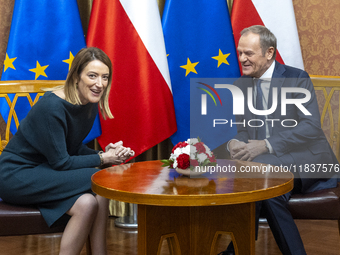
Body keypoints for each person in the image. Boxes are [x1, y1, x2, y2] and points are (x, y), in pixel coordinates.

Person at [0, 47, 134, 255]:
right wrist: (102, 159)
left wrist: (105, 155)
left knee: (87, 203)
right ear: (76, 77)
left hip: (46, 172)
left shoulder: (86, 102)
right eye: (92, 76)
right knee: (101, 177)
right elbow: (61, 162)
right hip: (16, 175)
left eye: (105, 77)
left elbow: (71, 148)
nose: (99, 84)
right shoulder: (53, 107)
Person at [221, 25, 338, 255]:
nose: (242, 59)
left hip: (307, 159)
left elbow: (310, 127)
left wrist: (266, 144)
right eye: (240, 52)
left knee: (259, 173)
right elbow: (244, 129)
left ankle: (234, 252)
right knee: (268, 189)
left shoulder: (296, 78)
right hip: (269, 166)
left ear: (269, 53)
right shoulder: (240, 86)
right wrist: (234, 143)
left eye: (249, 53)